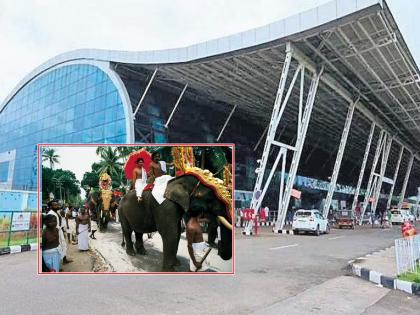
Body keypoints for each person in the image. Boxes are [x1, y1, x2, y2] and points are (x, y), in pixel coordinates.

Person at [47, 200, 72, 265]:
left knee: (63, 245)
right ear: (50, 206)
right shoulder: (50, 213)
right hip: (55, 233)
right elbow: (50, 225)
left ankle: (64, 259)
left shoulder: (57, 212)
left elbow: (62, 218)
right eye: (55, 205)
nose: (57, 206)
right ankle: (56, 265)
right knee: (57, 248)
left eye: (57, 204)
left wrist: (63, 230)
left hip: (59, 231)